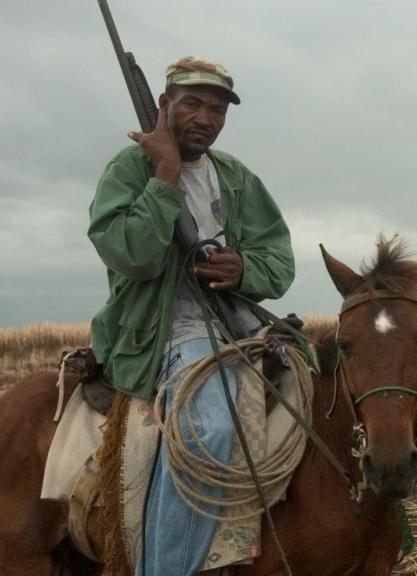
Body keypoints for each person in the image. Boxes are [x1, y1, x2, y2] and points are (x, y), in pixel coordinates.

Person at [87, 56, 294, 576]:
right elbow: (131, 254)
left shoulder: (236, 177)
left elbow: (279, 258)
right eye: (193, 104)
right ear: (164, 106)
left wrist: (244, 268)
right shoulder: (128, 169)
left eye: (218, 109)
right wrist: (166, 177)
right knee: (209, 429)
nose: (206, 117)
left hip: (237, 323)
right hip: (165, 330)